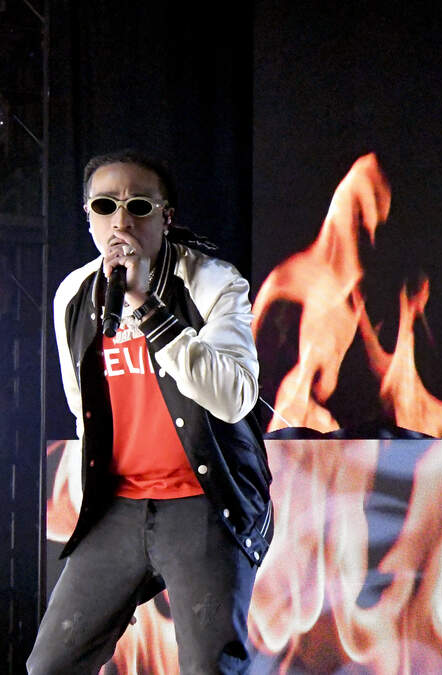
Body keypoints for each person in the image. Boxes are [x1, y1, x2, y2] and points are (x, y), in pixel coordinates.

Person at [28, 150, 272, 674]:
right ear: (88, 217)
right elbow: (82, 407)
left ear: (166, 217)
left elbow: (235, 397)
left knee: (208, 667)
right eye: (105, 205)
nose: (121, 221)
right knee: (49, 664)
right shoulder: (74, 295)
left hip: (203, 501)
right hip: (117, 506)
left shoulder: (212, 283)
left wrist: (147, 308)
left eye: (138, 205)